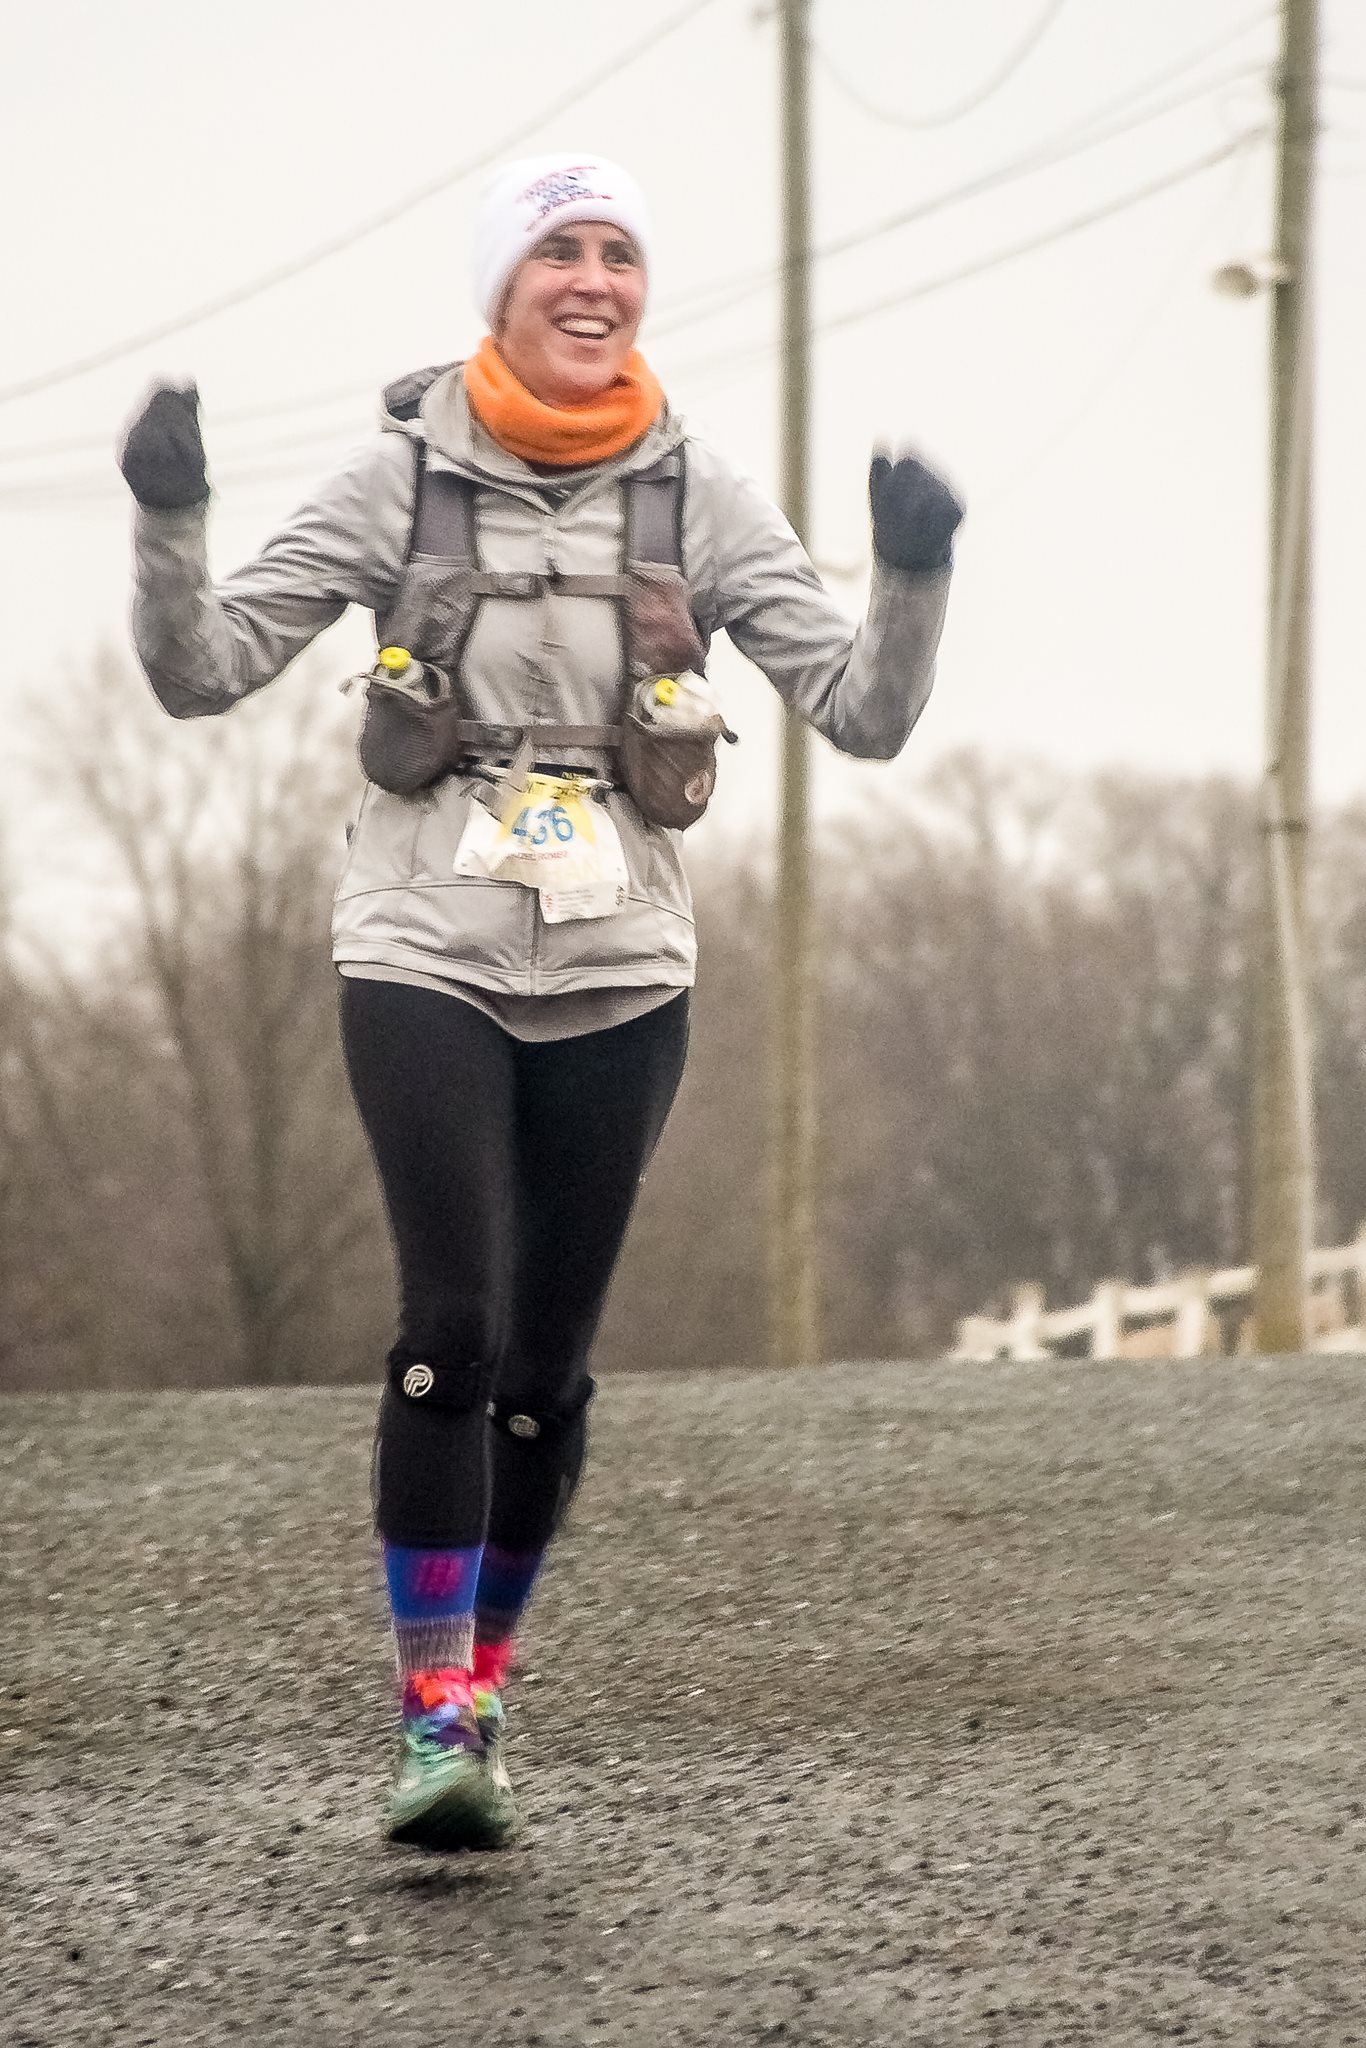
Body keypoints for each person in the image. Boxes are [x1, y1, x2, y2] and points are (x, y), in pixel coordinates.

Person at [118, 151, 963, 1852]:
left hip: (620, 964)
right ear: (499, 288)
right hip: (420, 946)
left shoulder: (699, 496)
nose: (592, 280)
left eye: (616, 253)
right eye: (557, 251)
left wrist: (912, 570)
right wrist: (168, 515)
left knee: (545, 1376)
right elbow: (200, 672)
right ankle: (432, 1723)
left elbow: (864, 716)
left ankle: (486, 1688)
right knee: (452, 1332)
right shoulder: (398, 477)